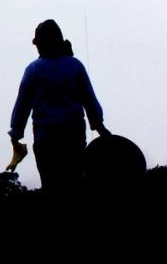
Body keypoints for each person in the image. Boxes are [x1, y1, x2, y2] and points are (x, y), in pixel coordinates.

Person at [9, 19, 110, 196]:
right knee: (75, 182)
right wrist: (100, 128)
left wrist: (16, 135)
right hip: (74, 135)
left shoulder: (33, 70)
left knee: (51, 186)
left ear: (40, 44)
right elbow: (89, 99)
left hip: (45, 137)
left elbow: (22, 105)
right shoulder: (74, 65)